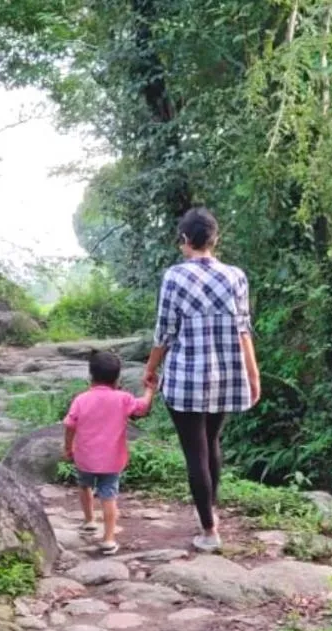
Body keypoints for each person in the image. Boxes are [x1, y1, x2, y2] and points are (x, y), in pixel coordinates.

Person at [143, 207, 261, 553]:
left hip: (185, 379)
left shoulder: (174, 277)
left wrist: (150, 369)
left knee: (195, 452)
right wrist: (253, 374)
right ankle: (209, 515)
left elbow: (164, 332)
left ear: (184, 240)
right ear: (215, 239)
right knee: (211, 443)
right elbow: (244, 329)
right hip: (226, 375)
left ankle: (209, 531)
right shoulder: (236, 276)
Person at [62, 350, 154, 555]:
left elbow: (69, 425)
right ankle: (109, 539)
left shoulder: (81, 399)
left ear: (90, 376)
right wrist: (149, 390)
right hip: (112, 460)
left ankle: (89, 521)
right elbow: (142, 407)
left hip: (84, 457)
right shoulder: (123, 398)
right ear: (117, 377)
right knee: (109, 496)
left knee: (84, 485)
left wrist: (68, 448)